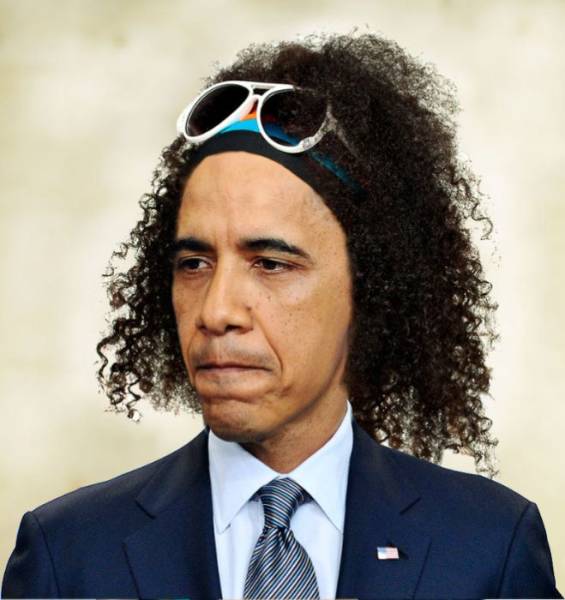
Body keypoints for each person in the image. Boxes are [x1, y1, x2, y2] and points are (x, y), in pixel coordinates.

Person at [2, 32, 561, 600]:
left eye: (270, 263)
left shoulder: (490, 549)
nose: (217, 311)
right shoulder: (66, 557)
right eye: (194, 263)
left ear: (369, 290)